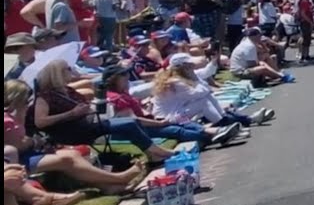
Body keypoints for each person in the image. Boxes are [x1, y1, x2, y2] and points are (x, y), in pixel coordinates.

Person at [5, 78, 152, 193]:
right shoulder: (8, 119)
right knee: (68, 159)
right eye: (26, 99)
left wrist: (22, 119)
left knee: (73, 154)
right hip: (19, 160)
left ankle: (108, 186)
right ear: (16, 98)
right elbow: (17, 146)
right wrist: (32, 141)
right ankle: (119, 178)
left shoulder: (16, 115)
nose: (29, 103)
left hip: (29, 154)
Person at [31, 60, 174, 164]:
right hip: (72, 132)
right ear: (57, 74)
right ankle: (155, 151)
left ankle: (152, 152)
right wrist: (71, 114)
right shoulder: (45, 96)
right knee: (128, 124)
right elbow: (40, 122)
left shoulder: (66, 90)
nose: (71, 71)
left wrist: (87, 106)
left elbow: (82, 104)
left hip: (88, 123)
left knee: (132, 121)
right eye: (67, 69)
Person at [100, 67, 241, 146]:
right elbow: (133, 121)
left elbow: (137, 112)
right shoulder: (116, 97)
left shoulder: (122, 93)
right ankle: (214, 136)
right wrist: (158, 123)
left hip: (148, 121)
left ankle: (219, 132)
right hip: (140, 128)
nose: (127, 77)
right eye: (123, 75)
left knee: (185, 122)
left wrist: (147, 108)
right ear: (114, 79)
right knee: (176, 130)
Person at [150, 54, 271, 128]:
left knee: (209, 100)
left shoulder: (183, 77)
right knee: (204, 100)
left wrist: (214, 60)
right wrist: (197, 80)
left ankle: (240, 119)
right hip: (169, 118)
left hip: (177, 112)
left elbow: (206, 73)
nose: (193, 65)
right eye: (190, 64)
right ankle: (225, 122)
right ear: (184, 67)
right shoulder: (176, 81)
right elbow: (199, 92)